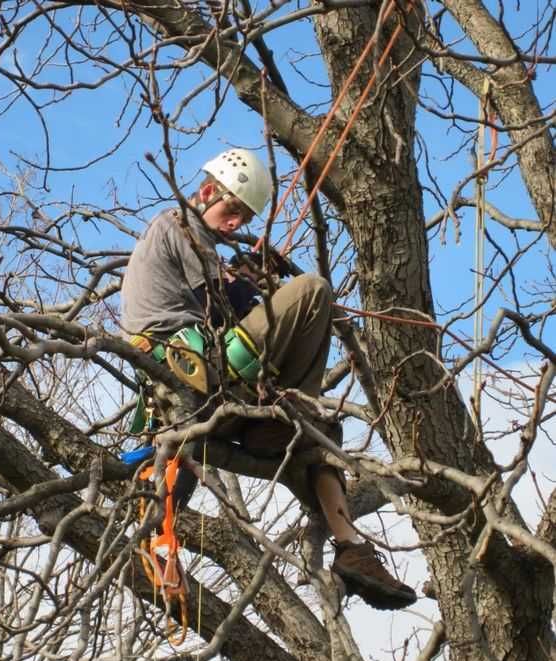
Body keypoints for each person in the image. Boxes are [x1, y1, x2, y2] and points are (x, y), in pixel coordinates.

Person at [121, 148, 416, 610]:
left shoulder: (206, 252)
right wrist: (253, 285)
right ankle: (293, 405)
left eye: (244, 215)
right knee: (313, 290)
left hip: (216, 388)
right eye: (232, 209)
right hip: (193, 373)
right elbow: (225, 305)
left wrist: (247, 282)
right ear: (205, 193)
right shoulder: (177, 225)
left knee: (315, 434)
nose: (236, 222)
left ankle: (351, 549)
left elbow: (225, 299)